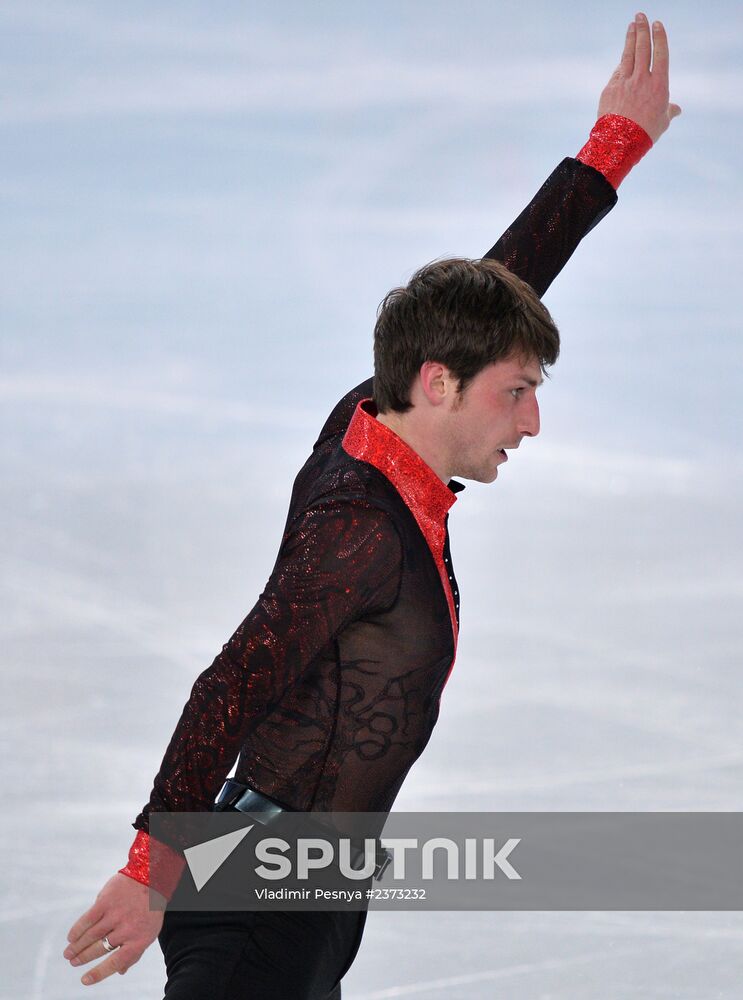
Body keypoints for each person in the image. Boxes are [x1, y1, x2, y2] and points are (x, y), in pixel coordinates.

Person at [63, 13, 680, 998]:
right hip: (254, 897)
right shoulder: (356, 528)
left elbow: (493, 292)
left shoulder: (371, 411)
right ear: (438, 384)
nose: (528, 423)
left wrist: (612, 148)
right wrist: (150, 870)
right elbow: (235, 675)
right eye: (514, 394)